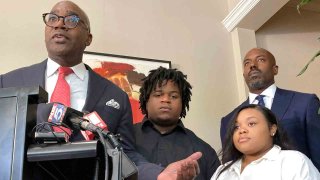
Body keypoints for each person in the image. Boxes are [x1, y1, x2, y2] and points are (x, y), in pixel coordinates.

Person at [0, 1, 202, 179]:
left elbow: (124, 154)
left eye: (71, 20)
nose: (60, 24)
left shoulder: (116, 97)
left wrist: (158, 174)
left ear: (88, 38)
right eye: (52, 18)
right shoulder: (8, 83)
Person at [220, 48, 320, 171]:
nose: (252, 66)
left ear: (275, 69)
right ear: (243, 74)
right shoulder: (228, 120)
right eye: (247, 63)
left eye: (260, 60)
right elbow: (230, 168)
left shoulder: (305, 103)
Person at [134, 67, 221, 180]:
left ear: (183, 103)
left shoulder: (203, 151)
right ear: (146, 100)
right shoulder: (125, 139)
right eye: (158, 94)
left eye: (174, 96)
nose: (165, 100)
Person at [212, 104, 320, 179]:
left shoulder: (293, 161)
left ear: (272, 129)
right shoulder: (223, 170)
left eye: (251, 123)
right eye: (236, 127)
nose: (242, 130)